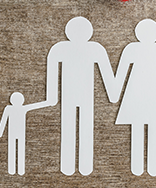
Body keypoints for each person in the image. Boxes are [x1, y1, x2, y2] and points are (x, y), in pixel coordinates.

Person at [110, 19, 156, 176]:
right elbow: (123, 70)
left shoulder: (139, 48)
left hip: (147, 93)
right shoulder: (149, 49)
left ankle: (147, 166)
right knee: (148, 126)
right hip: (147, 93)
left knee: (147, 126)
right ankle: (145, 167)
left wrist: (115, 93)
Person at [47, 17, 116, 175]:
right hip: (73, 94)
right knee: (78, 125)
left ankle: (76, 166)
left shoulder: (89, 48)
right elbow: (106, 71)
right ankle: (73, 166)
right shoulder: (62, 48)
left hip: (80, 93)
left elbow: (105, 70)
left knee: (76, 125)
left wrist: (51, 97)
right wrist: (113, 94)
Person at [0, 92, 50, 175]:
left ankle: (17, 170)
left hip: (17, 133)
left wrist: (47, 103)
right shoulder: (11, 108)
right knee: (15, 149)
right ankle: (15, 170)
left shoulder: (21, 108)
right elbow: (4, 120)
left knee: (16, 149)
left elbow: (35, 106)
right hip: (14, 133)